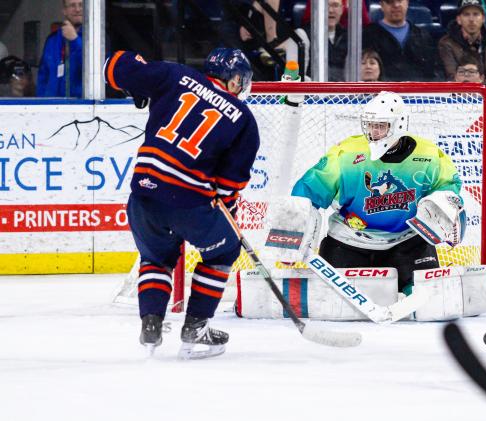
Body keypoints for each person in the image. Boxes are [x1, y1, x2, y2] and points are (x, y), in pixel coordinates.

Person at [103, 48, 260, 358]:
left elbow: (114, 67)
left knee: (156, 256)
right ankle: (196, 327)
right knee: (225, 249)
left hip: (143, 194)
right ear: (235, 80)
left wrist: (136, 84)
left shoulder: (175, 75)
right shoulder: (243, 119)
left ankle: (151, 323)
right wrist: (228, 212)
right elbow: (228, 187)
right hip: (188, 202)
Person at [291, 91, 464, 294]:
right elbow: (309, 190)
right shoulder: (347, 153)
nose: (373, 132)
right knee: (329, 299)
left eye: (380, 126)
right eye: (370, 125)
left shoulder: (429, 155)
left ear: (398, 125)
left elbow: (449, 188)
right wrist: (296, 226)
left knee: (428, 300)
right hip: (348, 241)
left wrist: (445, 207)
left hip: (406, 242)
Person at [438, 0, 486, 88]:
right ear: (459, 20)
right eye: (466, 14)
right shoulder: (446, 44)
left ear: (483, 19)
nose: (471, 19)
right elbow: (451, 77)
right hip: (459, 96)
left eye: (476, 14)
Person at [363, 0, 437, 81]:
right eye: (390, 2)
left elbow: (433, 72)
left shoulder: (422, 35)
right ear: (382, 5)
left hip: (418, 91)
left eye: (400, 0)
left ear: (407, 3)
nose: (396, 5)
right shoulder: (368, 34)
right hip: (382, 91)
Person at [37, 0, 83, 97]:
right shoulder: (52, 40)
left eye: (81, 5)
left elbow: (95, 69)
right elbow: (43, 76)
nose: (78, 9)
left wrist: (75, 40)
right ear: (64, 11)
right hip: (53, 106)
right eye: (72, 5)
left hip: (81, 107)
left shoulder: (95, 39)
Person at [303, 0, 348, 81]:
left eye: (335, 5)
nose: (330, 10)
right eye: (325, 5)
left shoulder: (348, 36)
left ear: (342, 9)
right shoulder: (305, 35)